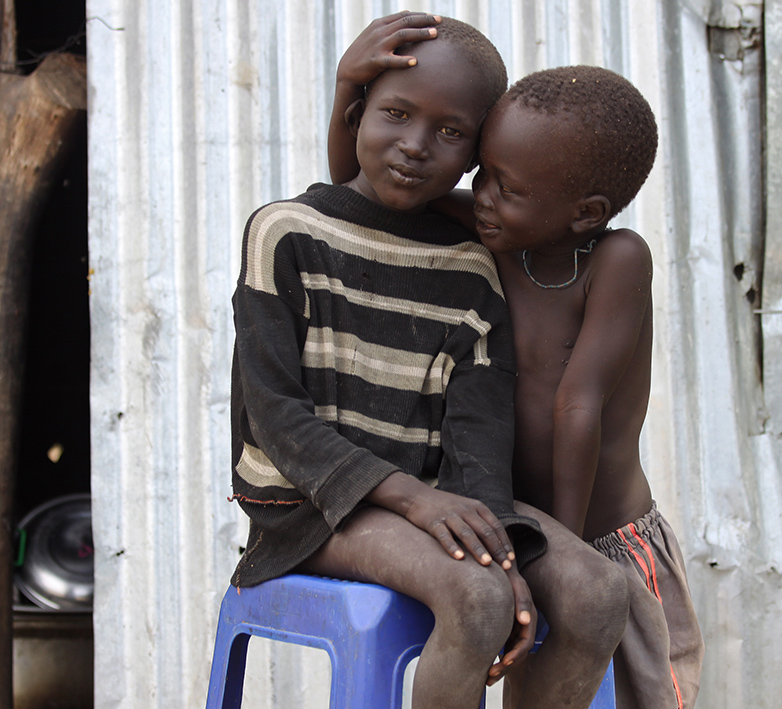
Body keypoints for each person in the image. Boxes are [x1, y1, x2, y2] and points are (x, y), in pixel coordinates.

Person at [231, 13, 628, 709]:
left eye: (449, 133)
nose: (415, 146)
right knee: (476, 597)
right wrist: (416, 500)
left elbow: (478, 433)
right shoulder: (286, 233)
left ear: (476, 157)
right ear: (358, 114)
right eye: (395, 113)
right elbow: (276, 418)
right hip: (307, 506)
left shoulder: (472, 270)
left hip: (433, 501)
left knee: (599, 591)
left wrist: (501, 539)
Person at [330, 29, 705, 709]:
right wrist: (346, 89)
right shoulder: (496, 230)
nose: (482, 195)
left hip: (602, 530)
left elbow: (578, 405)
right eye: (483, 172)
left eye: (508, 186)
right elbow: (361, 195)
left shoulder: (616, 260)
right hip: (512, 512)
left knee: (648, 691)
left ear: (583, 213)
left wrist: (559, 543)